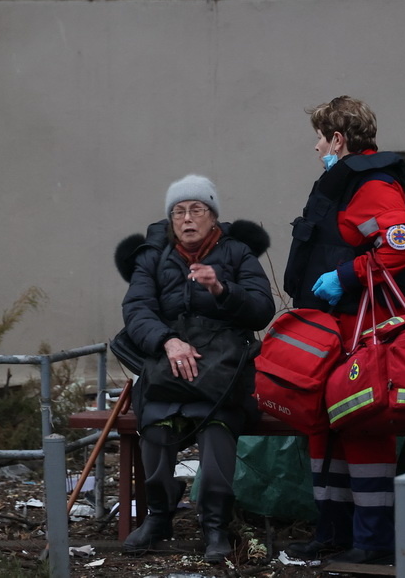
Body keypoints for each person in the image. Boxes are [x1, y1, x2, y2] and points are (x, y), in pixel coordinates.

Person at [282, 96, 405, 565]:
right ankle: (334, 531)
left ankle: (373, 540)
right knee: (326, 430)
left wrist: (345, 276)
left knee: (362, 429)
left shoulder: (372, 185)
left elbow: (401, 245)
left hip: (362, 331)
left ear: (337, 139)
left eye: (320, 137)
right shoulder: (345, 184)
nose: (316, 147)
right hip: (332, 332)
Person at [119, 174, 275, 562]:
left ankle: (215, 525)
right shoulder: (152, 256)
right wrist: (167, 341)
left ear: (213, 217)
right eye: (179, 211)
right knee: (154, 423)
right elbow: (136, 310)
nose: (187, 219)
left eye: (196, 210)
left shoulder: (237, 254)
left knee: (218, 426)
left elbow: (262, 310)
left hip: (221, 368)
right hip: (167, 365)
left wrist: (222, 289)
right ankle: (158, 516)